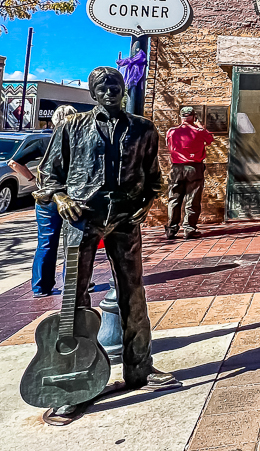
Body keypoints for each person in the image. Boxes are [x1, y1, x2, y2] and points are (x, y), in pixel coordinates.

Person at [34, 67, 178, 420]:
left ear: (124, 90)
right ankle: (76, 382)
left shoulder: (143, 128)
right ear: (93, 93)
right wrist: (61, 198)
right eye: (102, 86)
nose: (110, 90)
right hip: (82, 217)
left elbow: (154, 176)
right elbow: (48, 174)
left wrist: (145, 204)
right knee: (75, 297)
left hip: (125, 218)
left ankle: (139, 367)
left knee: (133, 291)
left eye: (115, 84)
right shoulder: (72, 126)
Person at [31, 105, 77, 297]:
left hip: (46, 198)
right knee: (72, 242)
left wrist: (33, 181)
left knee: (46, 242)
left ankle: (41, 286)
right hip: (66, 197)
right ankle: (71, 284)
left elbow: (14, 162)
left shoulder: (44, 140)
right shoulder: (76, 141)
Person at [164, 106, 214, 240]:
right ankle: (189, 229)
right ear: (193, 116)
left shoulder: (172, 131)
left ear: (181, 116)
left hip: (176, 168)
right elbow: (210, 140)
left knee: (174, 198)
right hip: (194, 167)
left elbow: (168, 145)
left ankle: (171, 229)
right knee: (192, 199)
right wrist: (200, 126)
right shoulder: (199, 131)